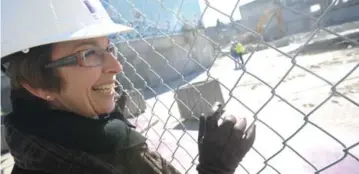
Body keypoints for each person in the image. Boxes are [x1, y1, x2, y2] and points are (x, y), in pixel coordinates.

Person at [1, 0, 256, 174]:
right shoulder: (110, 159)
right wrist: (214, 169)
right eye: (88, 53)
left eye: (108, 48)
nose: (116, 66)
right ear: (35, 83)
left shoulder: (36, 146)